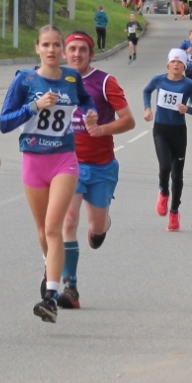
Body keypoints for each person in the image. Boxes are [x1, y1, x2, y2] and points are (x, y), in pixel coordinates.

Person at [1, 26, 98, 321]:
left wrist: (91, 112)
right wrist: (34, 106)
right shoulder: (25, 80)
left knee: (55, 226)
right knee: (43, 230)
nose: (53, 50)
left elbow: (85, 100)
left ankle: (50, 297)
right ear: (37, 49)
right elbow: (5, 122)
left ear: (63, 50)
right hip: (33, 160)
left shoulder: (72, 78)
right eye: (47, 45)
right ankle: (50, 267)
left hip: (64, 160)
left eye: (57, 44)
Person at [61, 31, 135, 304]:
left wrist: (102, 129)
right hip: (68, 164)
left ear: (91, 54)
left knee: (97, 225)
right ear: (64, 53)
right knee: (68, 220)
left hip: (101, 165)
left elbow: (129, 121)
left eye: (82, 49)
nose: (77, 54)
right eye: (72, 49)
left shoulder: (105, 83)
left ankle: (103, 225)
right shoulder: (54, 81)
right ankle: (71, 287)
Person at [142, 48, 192, 231]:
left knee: (177, 175)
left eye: (180, 62)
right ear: (168, 64)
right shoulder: (158, 79)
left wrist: (188, 109)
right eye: (173, 62)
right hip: (161, 130)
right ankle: (163, 192)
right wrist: (147, 109)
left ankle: (174, 213)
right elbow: (147, 91)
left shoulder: (188, 85)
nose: (176, 65)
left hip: (179, 132)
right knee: (165, 167)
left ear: (184, 66)